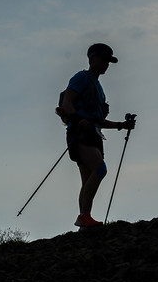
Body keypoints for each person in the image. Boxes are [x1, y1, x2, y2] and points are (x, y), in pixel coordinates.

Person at [57, 43, 135, 228]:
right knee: (100, 169)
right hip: (80, 133)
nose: (106, 64)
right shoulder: (81, 77)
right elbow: (68, 101)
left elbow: (97, 120)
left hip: (92, 133)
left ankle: (84, 220)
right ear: (91, 59)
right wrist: (77, 120)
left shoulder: (98, 87)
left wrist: (121, 125)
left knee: (87, 179)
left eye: (108, 62)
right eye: (103, 60)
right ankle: (84, 217)